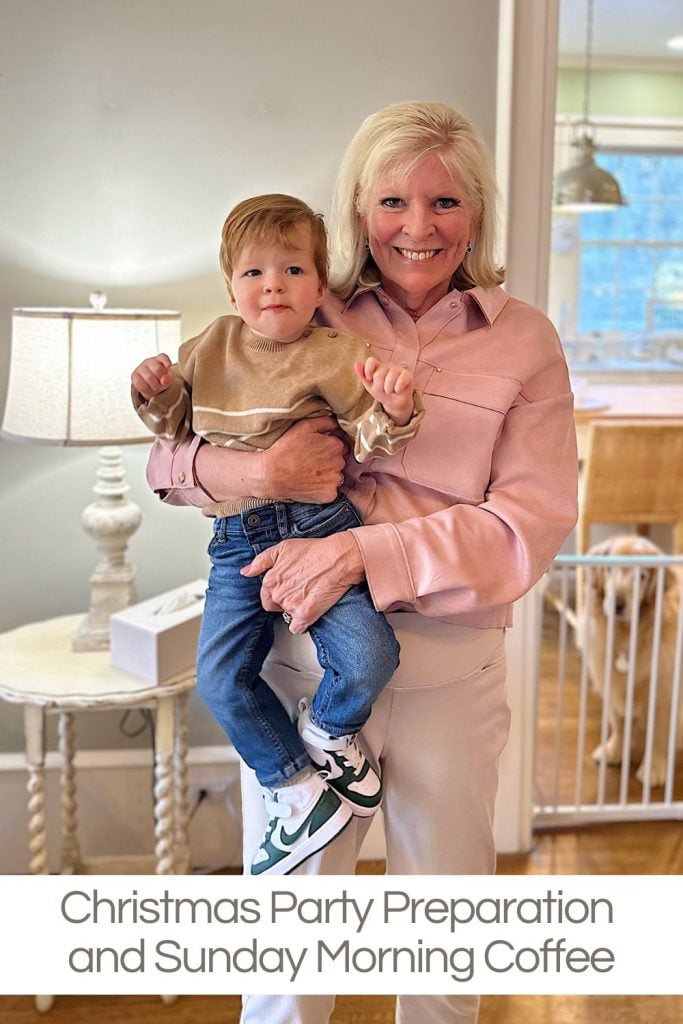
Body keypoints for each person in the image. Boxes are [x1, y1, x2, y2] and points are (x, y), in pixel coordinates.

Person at [145, 101, 578, 1024]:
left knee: (443, 944)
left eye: (445, 202)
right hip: (299, 662)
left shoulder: (525, 340)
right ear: (356, 207)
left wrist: (358, 551)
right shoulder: (296, 303)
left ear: (478, 214)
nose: (417, 228)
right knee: (290, 953)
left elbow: (526, 526)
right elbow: (167, 463)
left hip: (447, 677)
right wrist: (254, 470)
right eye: (392, 200)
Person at [131, 193, 424, 877]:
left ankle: (330, 730)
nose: (273, 287)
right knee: (220, 680)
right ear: (231, 287)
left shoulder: (338, 354)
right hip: (236, 537)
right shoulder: (209, 347)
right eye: (255, 274)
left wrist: (397, 405)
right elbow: (174, 431)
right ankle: (293, 786)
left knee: (371, 654)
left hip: (322, 528)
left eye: (292, 271)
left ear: (319, 286)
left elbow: (371, 441)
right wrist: (154, 392)